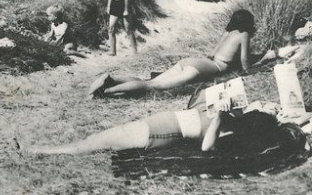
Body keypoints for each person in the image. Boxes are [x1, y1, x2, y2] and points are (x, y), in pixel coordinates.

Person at [89, 9, 292, 98]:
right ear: (247, 23)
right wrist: (265, 61)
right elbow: (246, 65)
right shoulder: (244, 35)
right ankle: (105, 92)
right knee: (153, 86)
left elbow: (216, 53)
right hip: (205, 68)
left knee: (151, 80)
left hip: (196, 61)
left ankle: (112, 78)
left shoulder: (228, 31)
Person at [26, 101, 255, 155]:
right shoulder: (230, 113)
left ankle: (40, 151)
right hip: (156, 125)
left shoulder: (228, 127)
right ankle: (42, 150)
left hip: (159, 133)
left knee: (97, 142)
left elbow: (207, 147)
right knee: (98, 138)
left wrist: (220, 117)